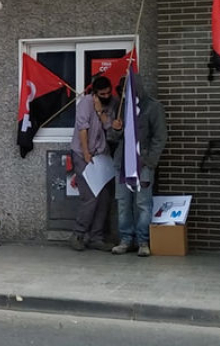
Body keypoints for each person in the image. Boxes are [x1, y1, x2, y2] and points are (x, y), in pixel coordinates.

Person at [107, 72, 167, 257]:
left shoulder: (153, 107)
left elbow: (160, 136)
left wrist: (150, 161)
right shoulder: (121, 107)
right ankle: (126, 239)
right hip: (122, 163)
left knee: (143, 203)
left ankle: (143, 241)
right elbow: (113, 138)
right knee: (123, 202)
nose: (125, 94)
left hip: (143, 164)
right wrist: (115, 130)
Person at [70, 76, 117, 252]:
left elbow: (109, 127)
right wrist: (86, 153)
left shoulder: (111, 102)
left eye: (108, 92)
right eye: (102, 93)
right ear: (95, 93)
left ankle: (97, 237)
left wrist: (100, 112)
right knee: (90, 197)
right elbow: (83, 129)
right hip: (83, 155)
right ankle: (78, 234)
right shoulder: (85, 103)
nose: (106, 95)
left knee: (104, 197)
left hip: (102, 155)